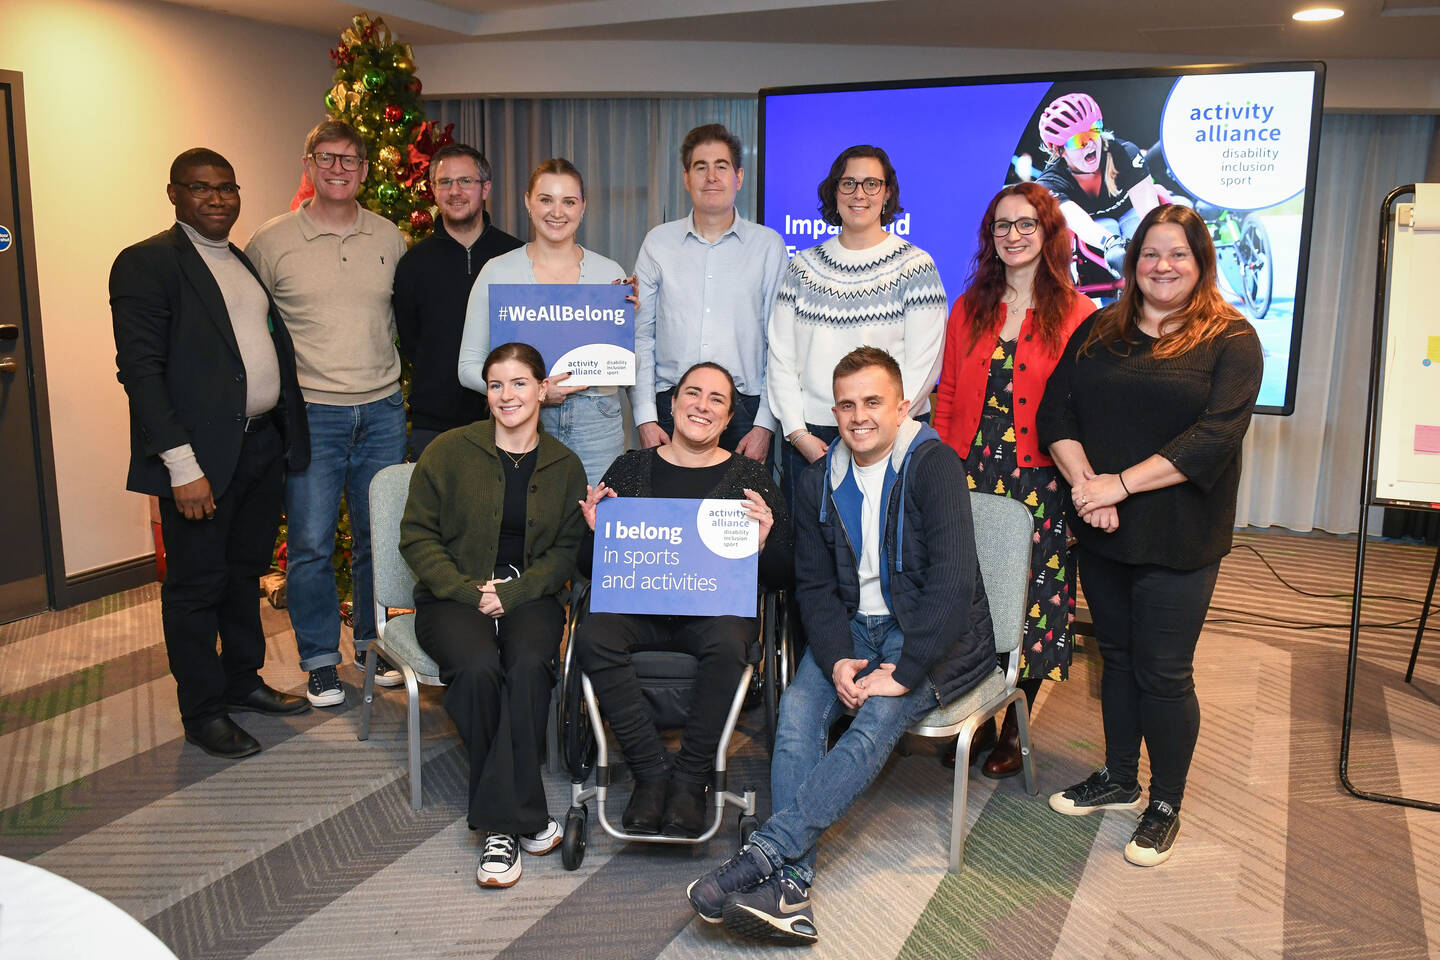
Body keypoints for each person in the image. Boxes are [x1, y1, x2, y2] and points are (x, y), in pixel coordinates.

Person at [687, 347, 994, 945]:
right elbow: (815, 585)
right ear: (833, 410)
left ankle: (764, 856)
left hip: (934, 630)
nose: (859, 416)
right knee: (799, 713)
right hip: (854, 628)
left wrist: (904, 672)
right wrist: (835, 658)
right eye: (847, 404)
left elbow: (953, 586)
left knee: (875, 718)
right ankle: (792, 885)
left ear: (902, 405)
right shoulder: (816, 478)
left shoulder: (934, 465)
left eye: (873, 402)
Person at [1037, 204, 1262, 867]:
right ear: (1133, 262)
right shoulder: (1100, 329)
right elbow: (1057, 410)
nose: (1163, 266)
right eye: (1151, 254)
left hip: (1179, 534)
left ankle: (1164, 801)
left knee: (1164, 673)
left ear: (1201, 263)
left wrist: (1120, 485)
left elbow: (1212, 439)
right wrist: (1087, 486)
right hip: (1103, 526)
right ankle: (1118, 778)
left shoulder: (1231, 339)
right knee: (1117, 657)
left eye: (1178, 255)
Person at [111, 147, 311, 759]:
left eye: (227, 188)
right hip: (197, 463)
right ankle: (202, 710)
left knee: (244, 574)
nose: (218, 198)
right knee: (196, 589)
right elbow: (140, 372)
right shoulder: (148, 263)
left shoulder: (239, 261)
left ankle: (241, 679)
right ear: (174, 194)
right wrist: (181, 465)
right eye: (202, 188)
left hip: (258, 450)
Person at [571, 362, 791, 837]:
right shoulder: (631, 466)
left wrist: (763, 545)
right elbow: (591, 568)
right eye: (693, 393)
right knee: (593, 635)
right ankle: (650, 773)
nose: (702, 405)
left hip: (711, 615)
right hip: (639, 608)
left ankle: (691, 779)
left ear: (729, 417)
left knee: (733, 641)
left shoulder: (750, 478)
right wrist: (595, 533)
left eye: (716, 399)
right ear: (672, 404)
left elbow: (784, 573)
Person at [399, 342, 588, 888]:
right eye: (497, 385)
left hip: (530, 598)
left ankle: (496, 826)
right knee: (479, 669)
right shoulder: (448, 451)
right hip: (454, 598)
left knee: (530, 665)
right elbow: (417, 535)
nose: (508, 395)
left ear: (541, 390)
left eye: (520, 383)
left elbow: (565, 551)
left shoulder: (564, 465)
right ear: (487, 393)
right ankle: (521, 817)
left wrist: (517, 591)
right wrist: (466, 590)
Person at [245, 120, 411, 707]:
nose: (339, 169)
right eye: (327, 158)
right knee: (312, 542)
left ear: (366, 170)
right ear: (309, 164)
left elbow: (401, 320)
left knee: (377, 539)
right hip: (312, 414)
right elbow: (248, 323)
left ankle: (372, 644)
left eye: (350, 160)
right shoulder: (272, 241)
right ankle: (319, 658)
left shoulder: (390, 237)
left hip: (385, 409)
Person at [932, 183, 1094, 776]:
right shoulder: (969, 307)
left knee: (1028, 600)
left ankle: (1007, 724)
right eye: (1002, 225)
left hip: (1043, 480)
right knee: (972, 593)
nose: (1014, 235)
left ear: (1049, 233)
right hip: (973, 471)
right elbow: (947, 395)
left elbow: (1086, 411)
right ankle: (969, 705)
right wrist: (945, 469)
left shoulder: (1079, 313)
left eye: (1027, 224)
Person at [767, 144, 946, 512]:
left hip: (891, 437)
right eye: (848, 183)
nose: (859, 194)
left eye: (871, 184)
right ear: (834, 192)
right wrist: (797, 434)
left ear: (887, 194)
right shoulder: (801, 267)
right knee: (813, 559)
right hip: (811, 440)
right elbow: (780, 357)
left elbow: (925, 364)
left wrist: (876, 430)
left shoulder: (916, 267)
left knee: (891, 556)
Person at [458, 158, 630, 486]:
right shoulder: (498, 272)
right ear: (528, 202)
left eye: (569, 201)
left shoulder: (611, 275)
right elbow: (468, 367)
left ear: (583, 207)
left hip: (597, 422)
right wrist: (530, 392)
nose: (557, 212)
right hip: (521, 420)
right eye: (545, 199)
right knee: (524, 528)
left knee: (594, 527)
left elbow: (626, 364)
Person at [632, 123, 786, 462]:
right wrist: (645, 417)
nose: (711, 176)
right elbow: (641, 336)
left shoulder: (768, 246)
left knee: (743, 513)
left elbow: (779, 343)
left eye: (722, 166)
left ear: (739, 177)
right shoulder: (657, 243)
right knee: (669, 511)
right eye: (701, 167)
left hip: (744, 411)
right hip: (669, 405)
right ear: (686, 178)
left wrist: (764, 426)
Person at [393, 143, 523, 459]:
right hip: (433, 424)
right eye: (445, 182)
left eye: (465, 181)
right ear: (433, 191)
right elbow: (410, 342)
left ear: (485, 188)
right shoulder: (413, 263)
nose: (455, 191)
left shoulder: (517, 256)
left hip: (507, 417)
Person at [1032, 92, 1161, 277]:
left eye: (1094, 130)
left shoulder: (1125, 153)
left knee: (1140, 232)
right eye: (1078, 140)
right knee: (1108, 230)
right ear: (1058, 149)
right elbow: (1080, 224)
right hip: (1096, 230)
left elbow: (1151, 215)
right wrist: (1110, 243)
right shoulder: (1049, 183)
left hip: (1131, 215)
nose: (1090, 144)